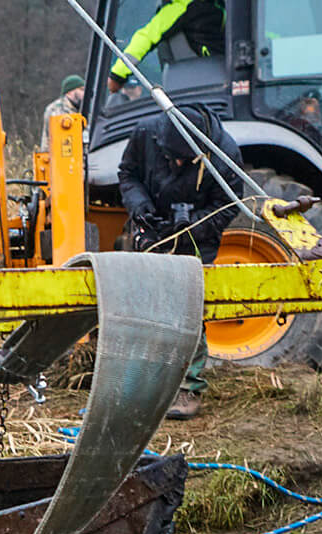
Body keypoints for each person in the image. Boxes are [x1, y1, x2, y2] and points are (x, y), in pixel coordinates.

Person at [118, 105, 241, 421]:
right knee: (147, 305)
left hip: (199, 235)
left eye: (185, 161)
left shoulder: (224, 153)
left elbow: (228, 206)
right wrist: (139, 206)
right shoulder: (146, 133)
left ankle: (188, 387)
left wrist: (192, 225)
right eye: (172, 158)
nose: (177, 164)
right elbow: (128, 173)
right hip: (152, 225)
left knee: (187, 310)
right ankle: (148, 384)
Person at [105, 0, 225, 92]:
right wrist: (118, 74)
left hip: (208, 84)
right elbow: (146, 37)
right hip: (216, 81)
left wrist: (117, 75)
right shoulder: (188, 7)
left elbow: (145, 37)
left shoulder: (184, 7)